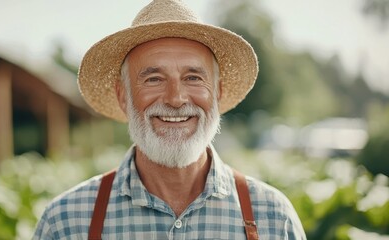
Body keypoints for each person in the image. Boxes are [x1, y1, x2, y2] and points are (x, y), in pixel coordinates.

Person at [33, 0, 306, 239]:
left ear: (218, 93)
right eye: (154, 79)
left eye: (193, 78)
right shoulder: (65, 223)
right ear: (123, 96)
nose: (176, 99)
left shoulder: (273, 218)